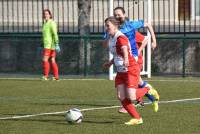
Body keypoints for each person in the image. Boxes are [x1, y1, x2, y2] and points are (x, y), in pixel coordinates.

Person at [103, 16, 159, 125]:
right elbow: (117, 54)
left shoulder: (120, 37)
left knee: (132, 97)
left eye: (108, 25)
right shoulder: (112, 38)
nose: (106, 28)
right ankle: (137, 118)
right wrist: (110, 63)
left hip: (130, 69)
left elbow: (124, 48)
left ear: (115, 26)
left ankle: (147, 89)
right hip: (121, 71)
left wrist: (126, 59)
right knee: (121, 96)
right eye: (105, 26)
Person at [42, 9, 60, 81]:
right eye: (44, 14)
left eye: (47, 14)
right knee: (52, 60)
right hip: (48, 44)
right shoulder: (45, 23)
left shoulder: (51, 23)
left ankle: (45, 76)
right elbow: (46, 35)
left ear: (50, 15)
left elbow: (55, 33)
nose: (45, 15)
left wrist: (57, 44)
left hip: (49, 45)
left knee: (45, 59)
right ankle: (56, 77)